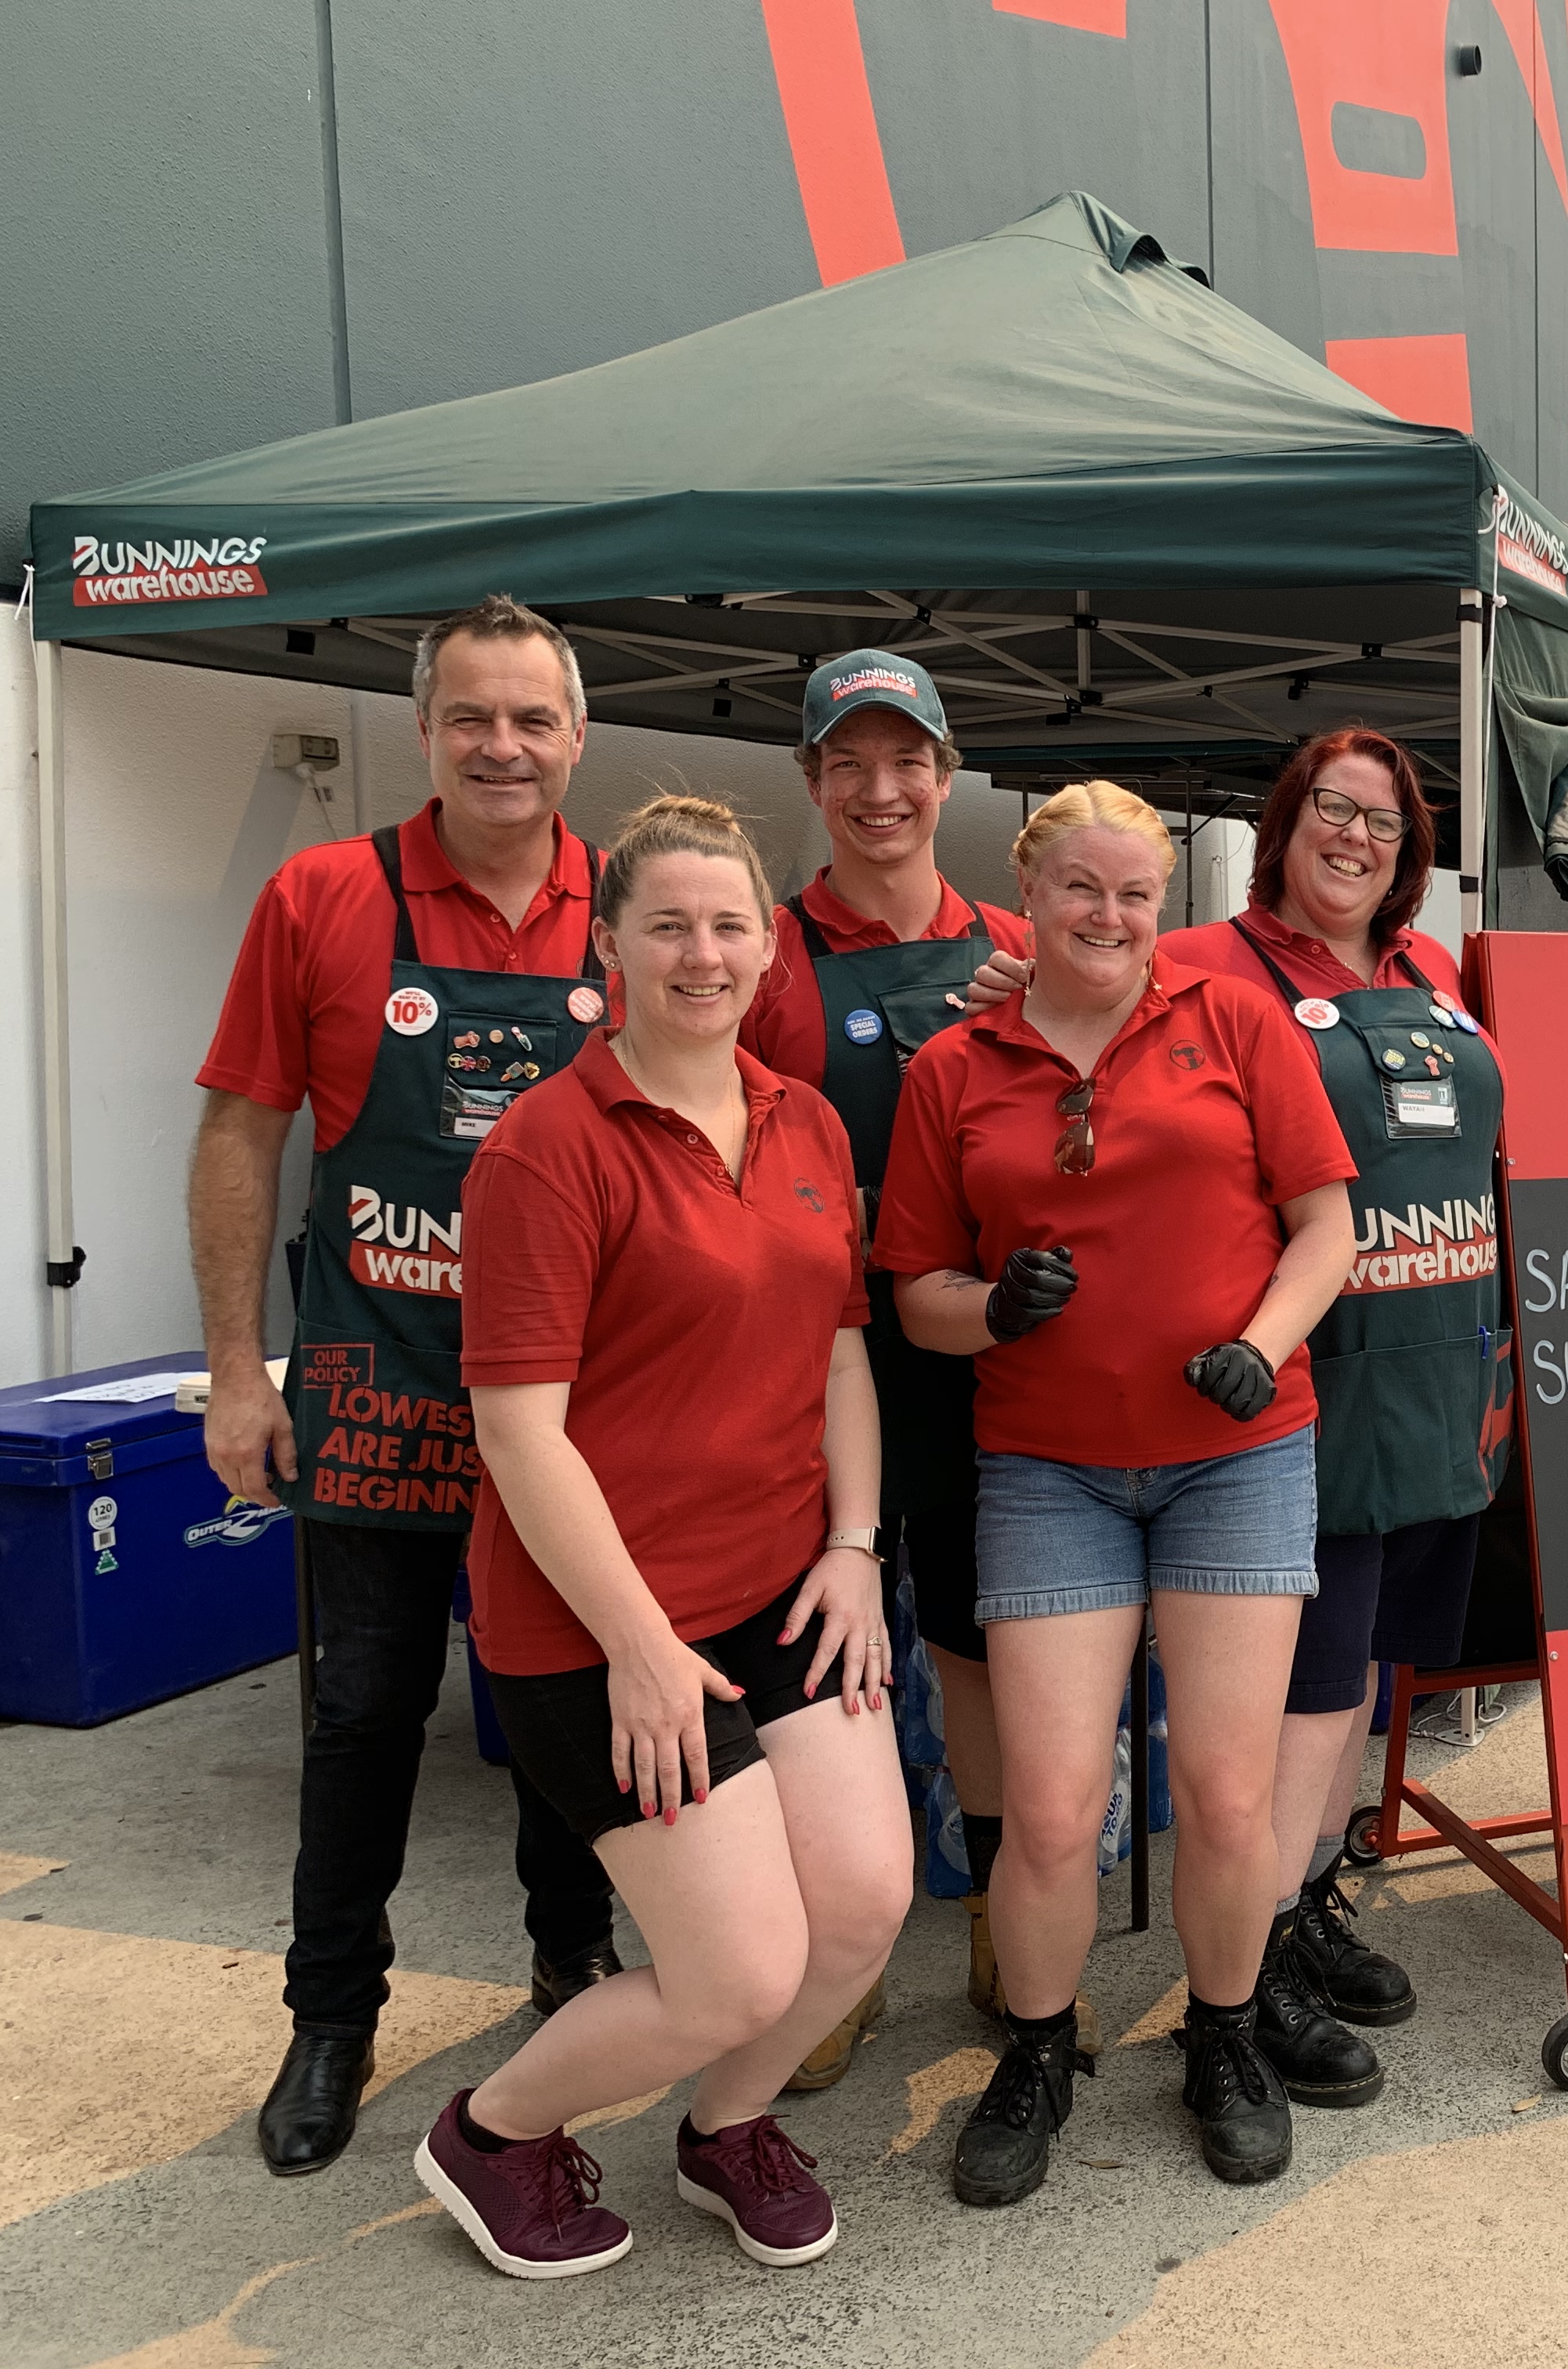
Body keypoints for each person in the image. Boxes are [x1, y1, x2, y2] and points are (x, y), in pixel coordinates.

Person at [417, 794, 909, 2280]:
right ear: (611, 943)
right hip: (598, 1624)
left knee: (867, 1907)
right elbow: (519, 1431)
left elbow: (836, 1356)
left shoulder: (807, 1119)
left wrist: (857, 1547)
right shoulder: (546, 1151)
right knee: (736, 1969)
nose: (704, 954)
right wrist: (639, 1646)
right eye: (670, 925)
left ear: (770, 948)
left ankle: (727, 2129)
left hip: (783, 1586)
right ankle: (492, 2136)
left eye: (731, 926)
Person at [189, 594, 621, 2178]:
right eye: (470, 717)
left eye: (530, 719)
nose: (500, 746)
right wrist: (240, 1375)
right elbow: (242, 1134)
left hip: (571, 1412)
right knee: (363, 1715)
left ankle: (571, 1963)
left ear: (575, 736)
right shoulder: (324, 897)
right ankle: (331, 2016)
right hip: (373, 1381)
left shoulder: (634, 910)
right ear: (427, 728)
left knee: (565, 1709)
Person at [876, 783, 1357, 2197]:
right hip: (1049, 1468)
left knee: (1220, 1792)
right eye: (1080, 889)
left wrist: (1260, 1352)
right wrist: (994, 1311)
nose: (1109, 917)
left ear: (1165, 902)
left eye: (1136, 893)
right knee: (1052, 1804)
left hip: (1237, 1458)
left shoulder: (1233, 1024)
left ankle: (1221, 2037)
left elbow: (1328, 1225)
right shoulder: (953, 1066)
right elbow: (915, 1296)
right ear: (1028, 894)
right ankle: (1036, 2049)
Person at [1164, 726, 1508, 2105]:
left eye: (1380, 817)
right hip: (1304, 1394)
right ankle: (1251, 1965)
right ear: (1282, 824)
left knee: (1363, 1691)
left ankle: (1299, 1906)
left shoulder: (1438, 973)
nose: (1354, 837)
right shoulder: (1201, 965)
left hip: (1443, 1390)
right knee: (1302, 1700)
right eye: (1329, 810)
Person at [738, 651, 1031, 2089]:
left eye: (903, 759)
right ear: (811, 781)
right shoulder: (769, 960)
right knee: (828, 1657)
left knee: (976, 1647)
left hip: (976, 1361)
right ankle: (836, 1957)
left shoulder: (1020, 948)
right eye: (846, 764)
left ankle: (990, 1908)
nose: (879, 790)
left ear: (947, 768)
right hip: (817, 1368)